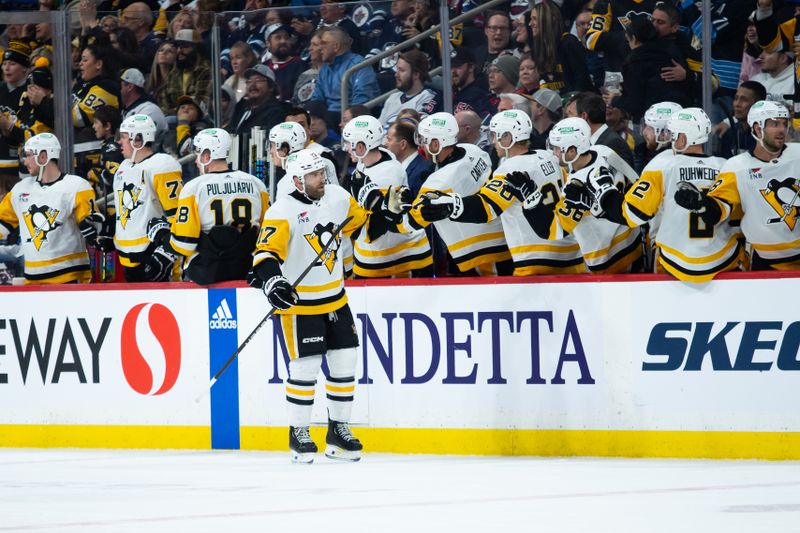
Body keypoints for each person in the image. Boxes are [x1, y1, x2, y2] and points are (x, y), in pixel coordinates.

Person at [250, 148, 403, 463]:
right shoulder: (282, 211)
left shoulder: (337, 196)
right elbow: (264, 256)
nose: (322, 178)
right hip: (301, 306)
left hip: (336, 298)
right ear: (297, 180)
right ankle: (299, 432)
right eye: (314, 175)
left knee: (345, 364)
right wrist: (273, 282)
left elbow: (363, 228)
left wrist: (389, 212)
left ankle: (338, 431)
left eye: (322, 172)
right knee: (305, 368)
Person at [414, 109, 585, 276]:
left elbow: (486, 208)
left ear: (508, 138)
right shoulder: (549, 157)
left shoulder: (510, 170)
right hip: (572, 255)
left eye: (496, 135)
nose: (493, 141)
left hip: (537, 261)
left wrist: (452, 205)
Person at [577, 108, 740, 282]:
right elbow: (730, 215)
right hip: (723, 264)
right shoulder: (727, 167)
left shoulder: (662, 166)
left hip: (673, 264)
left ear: (683, 138)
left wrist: (605, 193)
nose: (671, 138)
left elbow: (632, 214)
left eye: (673, 134)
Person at [677, 100, 800, 270]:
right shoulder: (736, 167)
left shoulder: (798, 154)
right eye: (774, 124)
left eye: (784, 124)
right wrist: (701, 204)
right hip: (766, 260)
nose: (781, 129)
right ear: (758, 128)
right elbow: (718, 208)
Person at [400, 112, 512, 276]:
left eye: (425, 141)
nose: (421, 146)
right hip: (504, 239)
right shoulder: (473, 151)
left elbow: (408, 224)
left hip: (479, 256)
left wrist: (394, 208)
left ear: (437, 143)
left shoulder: (437, 183)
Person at [155, 128, 268, 284]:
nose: (196, 161)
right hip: (247, 268)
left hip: (207, 272)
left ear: (207, 156)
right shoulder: (257, 184)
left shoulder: (194, 188)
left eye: (198, 155)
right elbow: (266, 236)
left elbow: (183, 245)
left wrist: (162, 236)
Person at [541, 117, 643, 274]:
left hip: (605, 259)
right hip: (633, 243)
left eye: (557, 148)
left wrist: (532, 206)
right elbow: (635, 181)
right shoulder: (604, 150)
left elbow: (555, 230)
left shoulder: (574, 185)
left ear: (572, 151)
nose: (554, 153)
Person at [0, 133, 100, 284]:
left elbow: (93, 227)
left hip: (69, 277)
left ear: (43, 156)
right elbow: (3, 223)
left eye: (28, 156)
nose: (25, 161)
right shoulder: (20, 189)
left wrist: (92, 226)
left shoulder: (77, 186)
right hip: (32, 278)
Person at [342, 115, 432, 278]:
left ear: (361, 147)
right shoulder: (369, 160)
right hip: (378, 257)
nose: (346, 148)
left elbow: (380, 225)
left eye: (349, 143)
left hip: (402, 258)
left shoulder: (387, 175)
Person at [113, 114, 183, 281]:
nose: (119, 142)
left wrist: (169, 252)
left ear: (138, 140)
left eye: (123, 137)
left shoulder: (162, 165)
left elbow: (177, 215)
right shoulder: (124, 167)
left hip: (153, 253)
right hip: (127, 257)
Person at [308, 26, 379, 127]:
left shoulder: (358, 64)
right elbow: (317, 98)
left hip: (348, 118)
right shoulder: (325, 68)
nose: (320, 48)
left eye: (324, 43)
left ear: (336, 46)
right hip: (328, 118)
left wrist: (346, 117)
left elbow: (362, 99)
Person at [377, 49, 438, 128]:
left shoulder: (428, 98)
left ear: (416, 74)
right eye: (397, 69)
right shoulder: (392, 98)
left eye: (401, 70)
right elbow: (379, 128)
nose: (396, 75)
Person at [228, 64, 290, 136]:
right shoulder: (240, 108)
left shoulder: (276, 112)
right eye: (249, 81)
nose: (252, 85)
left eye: (258, 80)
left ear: (271, 87)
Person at [164, 29, 211, 115]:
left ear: (197, 49)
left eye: (184, 46)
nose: (179, 51)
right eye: (177, 46)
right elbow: (165, 104)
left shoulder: (207, 71)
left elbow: (201, 105)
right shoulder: (174, 73)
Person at [0, 40, 31, 172]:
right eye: (4, 64)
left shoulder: (32, 91)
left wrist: (7, 125)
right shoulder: (1, 88)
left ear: (24, 68)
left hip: (23, 158)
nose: (7, 68)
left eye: (12, 64)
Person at [384, 118, 432, 196]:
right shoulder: (393, 167)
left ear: (403, 144)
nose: (385, 144)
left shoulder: (422, 173)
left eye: (389, 140)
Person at [119, 68, 167, 134]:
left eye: (120, 86)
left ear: (130, 87)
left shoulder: (149, 111)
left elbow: (138, 141)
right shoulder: (126, 111)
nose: (119, 91)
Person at [451, 47, 492, 119]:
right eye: (451, 67)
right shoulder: (449, 92)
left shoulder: (480, 95)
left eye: (457, 66)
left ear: (471, 67)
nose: (453, 71)